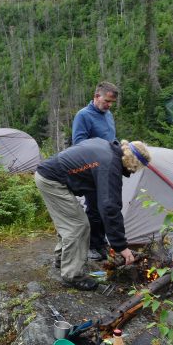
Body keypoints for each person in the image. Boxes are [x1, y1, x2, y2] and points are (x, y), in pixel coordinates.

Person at [34, 138, 151, 291]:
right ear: (133, 163)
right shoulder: (109, 164)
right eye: (137, 168)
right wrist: (121, 246)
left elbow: (99, 201)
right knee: (78, 226)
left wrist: (103, 240)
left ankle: (63, 260)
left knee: (72, 222)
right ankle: (73, 276)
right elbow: (110, 207)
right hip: (52, 180)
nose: (134, 172)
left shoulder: (107, 148)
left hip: (51, 175)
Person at [72, 81, 119, 261]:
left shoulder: (108, 115)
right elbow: (79, 143)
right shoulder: (83, 115)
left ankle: (101, 243)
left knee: (106, 207)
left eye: (111, 102)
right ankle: (91, 245)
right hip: (91, 170)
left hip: (108, 169)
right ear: (97, 96)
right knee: (93, 208)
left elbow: (110, 139)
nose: (109, 105)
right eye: (107, 101)